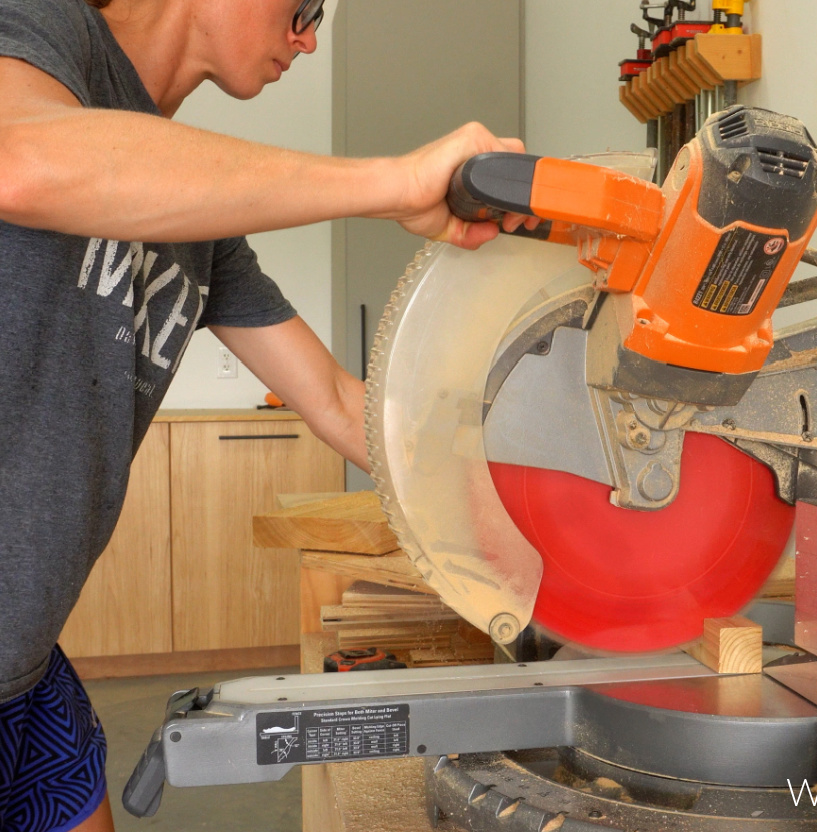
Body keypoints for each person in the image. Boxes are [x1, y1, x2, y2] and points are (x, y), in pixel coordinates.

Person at [0, 0, 532, 829]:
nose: (310, 38)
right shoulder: (41, 27)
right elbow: (21, 160)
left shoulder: (199, 225)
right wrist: (391, 182)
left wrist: (531, 519)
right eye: (302, 8)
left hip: (23, 669)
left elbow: (334, 401)